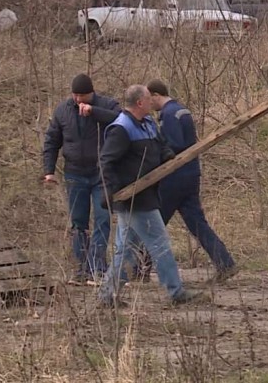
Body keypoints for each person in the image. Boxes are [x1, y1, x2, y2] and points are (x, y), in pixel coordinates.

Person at [97, 84, 202, 307]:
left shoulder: (147, 123)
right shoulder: (121, 128)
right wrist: (109, 190)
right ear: (140, 103)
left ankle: (107, 296)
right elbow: (106, 161)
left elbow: (161, 145)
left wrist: (168, 156)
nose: (151, 102)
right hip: (136, 198)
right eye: (147, 98)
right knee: (160, 243)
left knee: (124, 251)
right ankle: (175, 292)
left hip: (147, 193)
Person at [145, 79, 238, 283]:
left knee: (154, 221)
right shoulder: (181, 110)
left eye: (149, 99)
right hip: (190, 174)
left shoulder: (168, 115)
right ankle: (225, 262)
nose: (148, 105)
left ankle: (138, 268)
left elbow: (175, 144)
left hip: (174, 176)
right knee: (197, 223)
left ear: (155, 95)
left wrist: (156, 151)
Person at [43, 73, 121, 284]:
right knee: (78, 223)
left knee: (102, 219)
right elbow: (52, 141)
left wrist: (94, 112)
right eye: (75, 95)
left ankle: (98, 267)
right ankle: (82, 269)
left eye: (82, 96)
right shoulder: (62, 110)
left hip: (101, 174)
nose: (78, 100)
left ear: (91, 93)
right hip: (74, 173)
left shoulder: (108, 105)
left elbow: (122, 120)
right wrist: (48, 170)